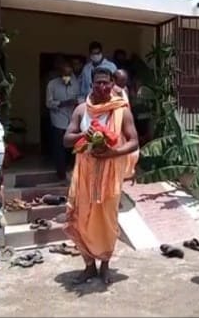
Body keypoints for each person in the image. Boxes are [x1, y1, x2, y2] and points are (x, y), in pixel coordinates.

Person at [63, 66, 139, 285]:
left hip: (110, 175)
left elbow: (134, 141)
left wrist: (113, 152)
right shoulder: (81, 110)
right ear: (92, 84)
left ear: (112, 84)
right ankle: (89, 266)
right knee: (81, 219)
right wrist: (84, 135)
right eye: (98, 82)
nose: (103, 86)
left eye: (106, 82)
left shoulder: (121, 110)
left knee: (107, 220)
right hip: (84, 174)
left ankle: (105, 265)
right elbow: (66, 140)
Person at [46, 60, 80, 181]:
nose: (67, 76)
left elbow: (81, 98)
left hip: (73, 120)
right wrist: (62, 103)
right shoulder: (52, 84)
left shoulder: (76, 84)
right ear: (60, 73)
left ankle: (73, 172)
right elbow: (48, 103)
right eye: (64, 74)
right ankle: (61, 173)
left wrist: (77, 102)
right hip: (58, 120)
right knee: (59, 148)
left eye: (69, 74)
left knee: (74, 147)